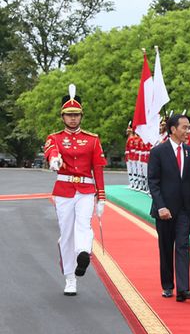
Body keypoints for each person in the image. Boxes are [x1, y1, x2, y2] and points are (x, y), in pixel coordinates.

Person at [44, 84, 106, 296]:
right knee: (66, 233)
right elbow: (51, 151)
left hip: (86, 189)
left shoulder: (92, 139)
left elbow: (98, 168)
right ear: (62, 116)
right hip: (64, 189)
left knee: (83, 225)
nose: (72, 119)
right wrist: (53, 160)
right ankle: (70, 278)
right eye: (69, 115)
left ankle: (83, 255)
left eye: (76, 115)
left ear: (81, 116)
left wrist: (102, 196)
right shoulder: (55, 138)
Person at [148, 114, 190, 302]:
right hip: (165, 210)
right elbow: (153, 182)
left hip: (185, 209)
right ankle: (168, 285)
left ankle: (183, 289)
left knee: (183, 245)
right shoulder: (158, 152)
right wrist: (161, 206)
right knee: (166, 247)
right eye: (185, 127)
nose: (188, 131)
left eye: (189, 127)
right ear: (173, 129)